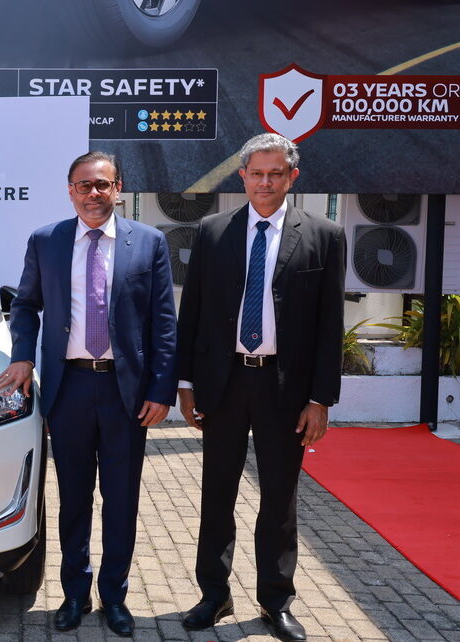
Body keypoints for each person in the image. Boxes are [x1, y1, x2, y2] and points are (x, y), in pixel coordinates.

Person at [0, 151, 178, 637]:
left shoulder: (150, 243)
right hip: (69, 387)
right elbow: (26, 305)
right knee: (73, 499)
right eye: (83, 185)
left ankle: (114, 597)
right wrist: (22, 356)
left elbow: (164, 321)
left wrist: (161, 388)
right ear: (70, 190)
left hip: (127, 393)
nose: (93, 193)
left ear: (118, 188)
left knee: (121, 500)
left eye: (102, 184)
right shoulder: (46, 241)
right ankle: (75, 594)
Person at [177, 133, 345, 642]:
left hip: (284, 389)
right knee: (217, 494)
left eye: (275, 174)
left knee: (279, 497)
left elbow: (329, 325)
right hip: (223, 382)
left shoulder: (325, 235)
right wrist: (186, 382)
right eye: (257, 173)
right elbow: (193, 312)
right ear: (242, 177)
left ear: (293, 177)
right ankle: (214, 594)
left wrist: (320, 399)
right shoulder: (212, 231)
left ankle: (276, 601)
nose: (265, 182)